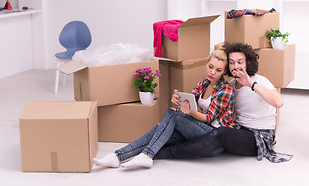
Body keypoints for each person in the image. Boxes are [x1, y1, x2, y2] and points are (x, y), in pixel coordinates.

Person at [93, 44, 236, 169]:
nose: (212, 72)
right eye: (210, 67)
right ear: (207, 63)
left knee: (172, 115)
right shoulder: (205, 82)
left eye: (218, 70)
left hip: (216, 139)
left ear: (224, 71)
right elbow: (190, 99)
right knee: (160, 129)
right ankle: (117, 156)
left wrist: (190, 112)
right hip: (202, 131)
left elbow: (207, 118)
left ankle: (147, 155)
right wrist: (179, 100)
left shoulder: (225, 90)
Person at [154, 42, 293, 163]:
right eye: (232, 62)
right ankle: (149, 150)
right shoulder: (231, 85)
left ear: (247, 63)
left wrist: (251, 84)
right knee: (200, 129)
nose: (235, 66)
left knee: (220, 134)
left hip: (259, 136)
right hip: (240, 130)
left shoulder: (260, 81)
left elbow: (278, 102)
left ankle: (165, 153)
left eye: (240, 62)